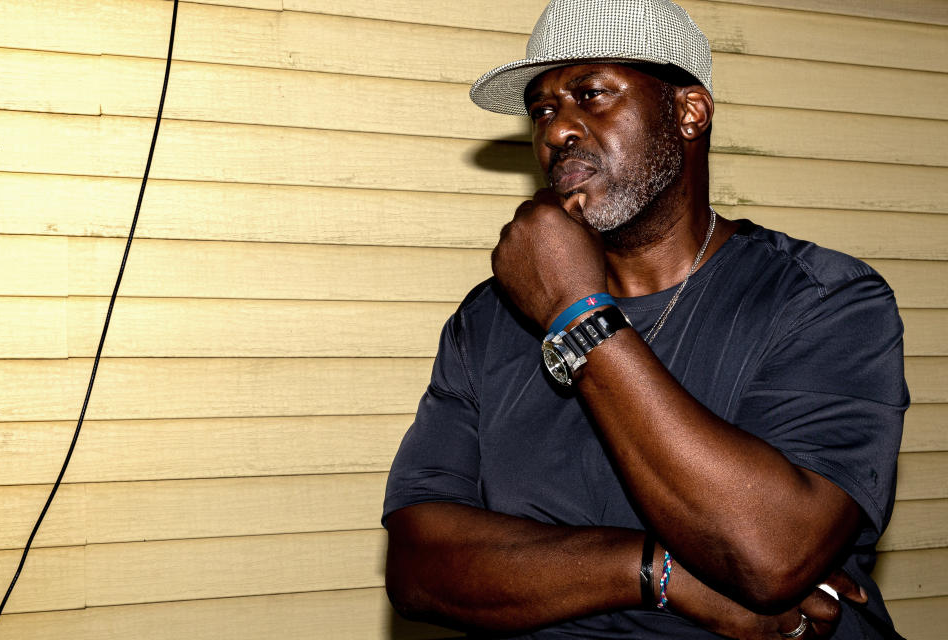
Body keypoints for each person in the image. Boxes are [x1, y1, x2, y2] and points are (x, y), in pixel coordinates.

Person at [381, 0, 909, 638]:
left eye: (592, 93)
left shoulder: (823, 299)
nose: (556, 132)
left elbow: (770, 555)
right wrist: (663, 574)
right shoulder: (489, 319)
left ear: (689, 113)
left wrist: (577, 316)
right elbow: (417, 568)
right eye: (542, 109)